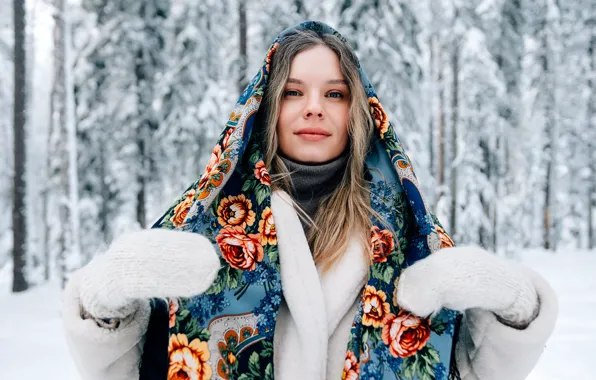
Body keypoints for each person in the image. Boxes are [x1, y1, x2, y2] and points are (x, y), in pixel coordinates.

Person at [62, 22, 558, 380]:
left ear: (359, 113)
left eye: (335, 93)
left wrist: (513, 306)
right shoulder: (200, 225)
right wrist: (107, 301)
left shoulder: (410, 237)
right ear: (267, 106)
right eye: (294, 92)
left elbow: (469, 371)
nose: (314, 107)